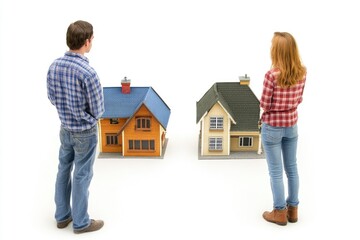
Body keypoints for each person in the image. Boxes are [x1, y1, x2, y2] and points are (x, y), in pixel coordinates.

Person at [47, 20, 105, 234]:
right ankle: (81, 222)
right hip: (85, 133)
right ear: (87, 41)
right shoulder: (88, 73)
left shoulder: (54, 66)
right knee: (82, 174)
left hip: (65, 128)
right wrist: (85, 117)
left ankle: (62, 216)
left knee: (63, 169)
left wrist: (68, 112)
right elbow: (98, 110)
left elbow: (52, 98)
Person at [260, 32, 307, 226]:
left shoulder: (271, 75)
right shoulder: (302, 71)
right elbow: (300, 99)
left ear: (276, 51)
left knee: (276, 171)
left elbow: (264, 103)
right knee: (292, 168)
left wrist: (274, 106)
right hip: (292, 125)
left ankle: (279, 212)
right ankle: (293, 210)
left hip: (272, 127)